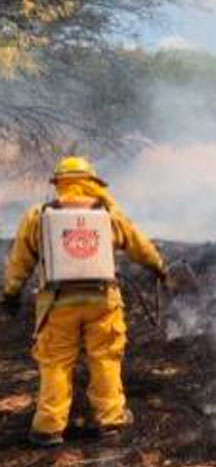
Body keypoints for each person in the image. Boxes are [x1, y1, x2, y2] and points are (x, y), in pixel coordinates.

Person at [1, 156, 167, 447]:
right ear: (92, 182)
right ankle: (110, 421)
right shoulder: (108, 213)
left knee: (56, 363)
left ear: (58, 184)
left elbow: (19, 261)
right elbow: (139, 245)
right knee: (104, 359)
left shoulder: (38, 215)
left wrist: (11, 294)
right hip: (102, 301)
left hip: (57, 303)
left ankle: (49, 428)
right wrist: (159, 267)